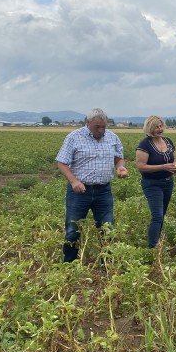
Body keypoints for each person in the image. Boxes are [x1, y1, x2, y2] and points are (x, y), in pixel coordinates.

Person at [56, 108, 129, 262]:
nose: (101, 130)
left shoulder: (112, 138)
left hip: (104, 191)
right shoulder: (74, 137)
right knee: (73, 230)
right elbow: (62, 163)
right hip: (79, 192)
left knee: (107, 228)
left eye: (104, 126)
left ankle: (107, 265)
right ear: (88, 123)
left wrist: (120, 167)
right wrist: (74, 181)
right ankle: (69, 265)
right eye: (97, 126)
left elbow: (118, 158)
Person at [135, 115, 176, 248]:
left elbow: (175, 158)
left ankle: (157, 242)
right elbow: (141, 166)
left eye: (161, 126)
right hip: (152, 184)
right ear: (149, 128)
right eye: (156, 127)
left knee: (162, 214)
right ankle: (153, 247)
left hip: (168, 182)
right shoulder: (144, 145)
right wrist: (163, 167)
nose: (160, 129)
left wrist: (175, 165)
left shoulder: (168, 141)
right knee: (157, 215)